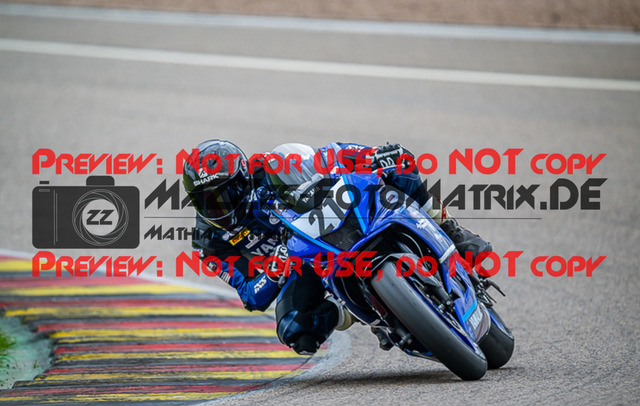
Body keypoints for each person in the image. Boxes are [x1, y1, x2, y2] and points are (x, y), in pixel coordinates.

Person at [182, 139, 492, 355]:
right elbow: (250, 295)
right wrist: (274, 270)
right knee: (295, 330)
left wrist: (372, 155)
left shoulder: (270, 165)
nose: (218, 207)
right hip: (303, 265)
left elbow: (330, 156)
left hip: (331, 222)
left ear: (242, 178)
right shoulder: (209, 243)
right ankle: (353, 310)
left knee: (399, 165)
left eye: (225, 194)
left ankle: (453, 233)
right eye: (206, 201)